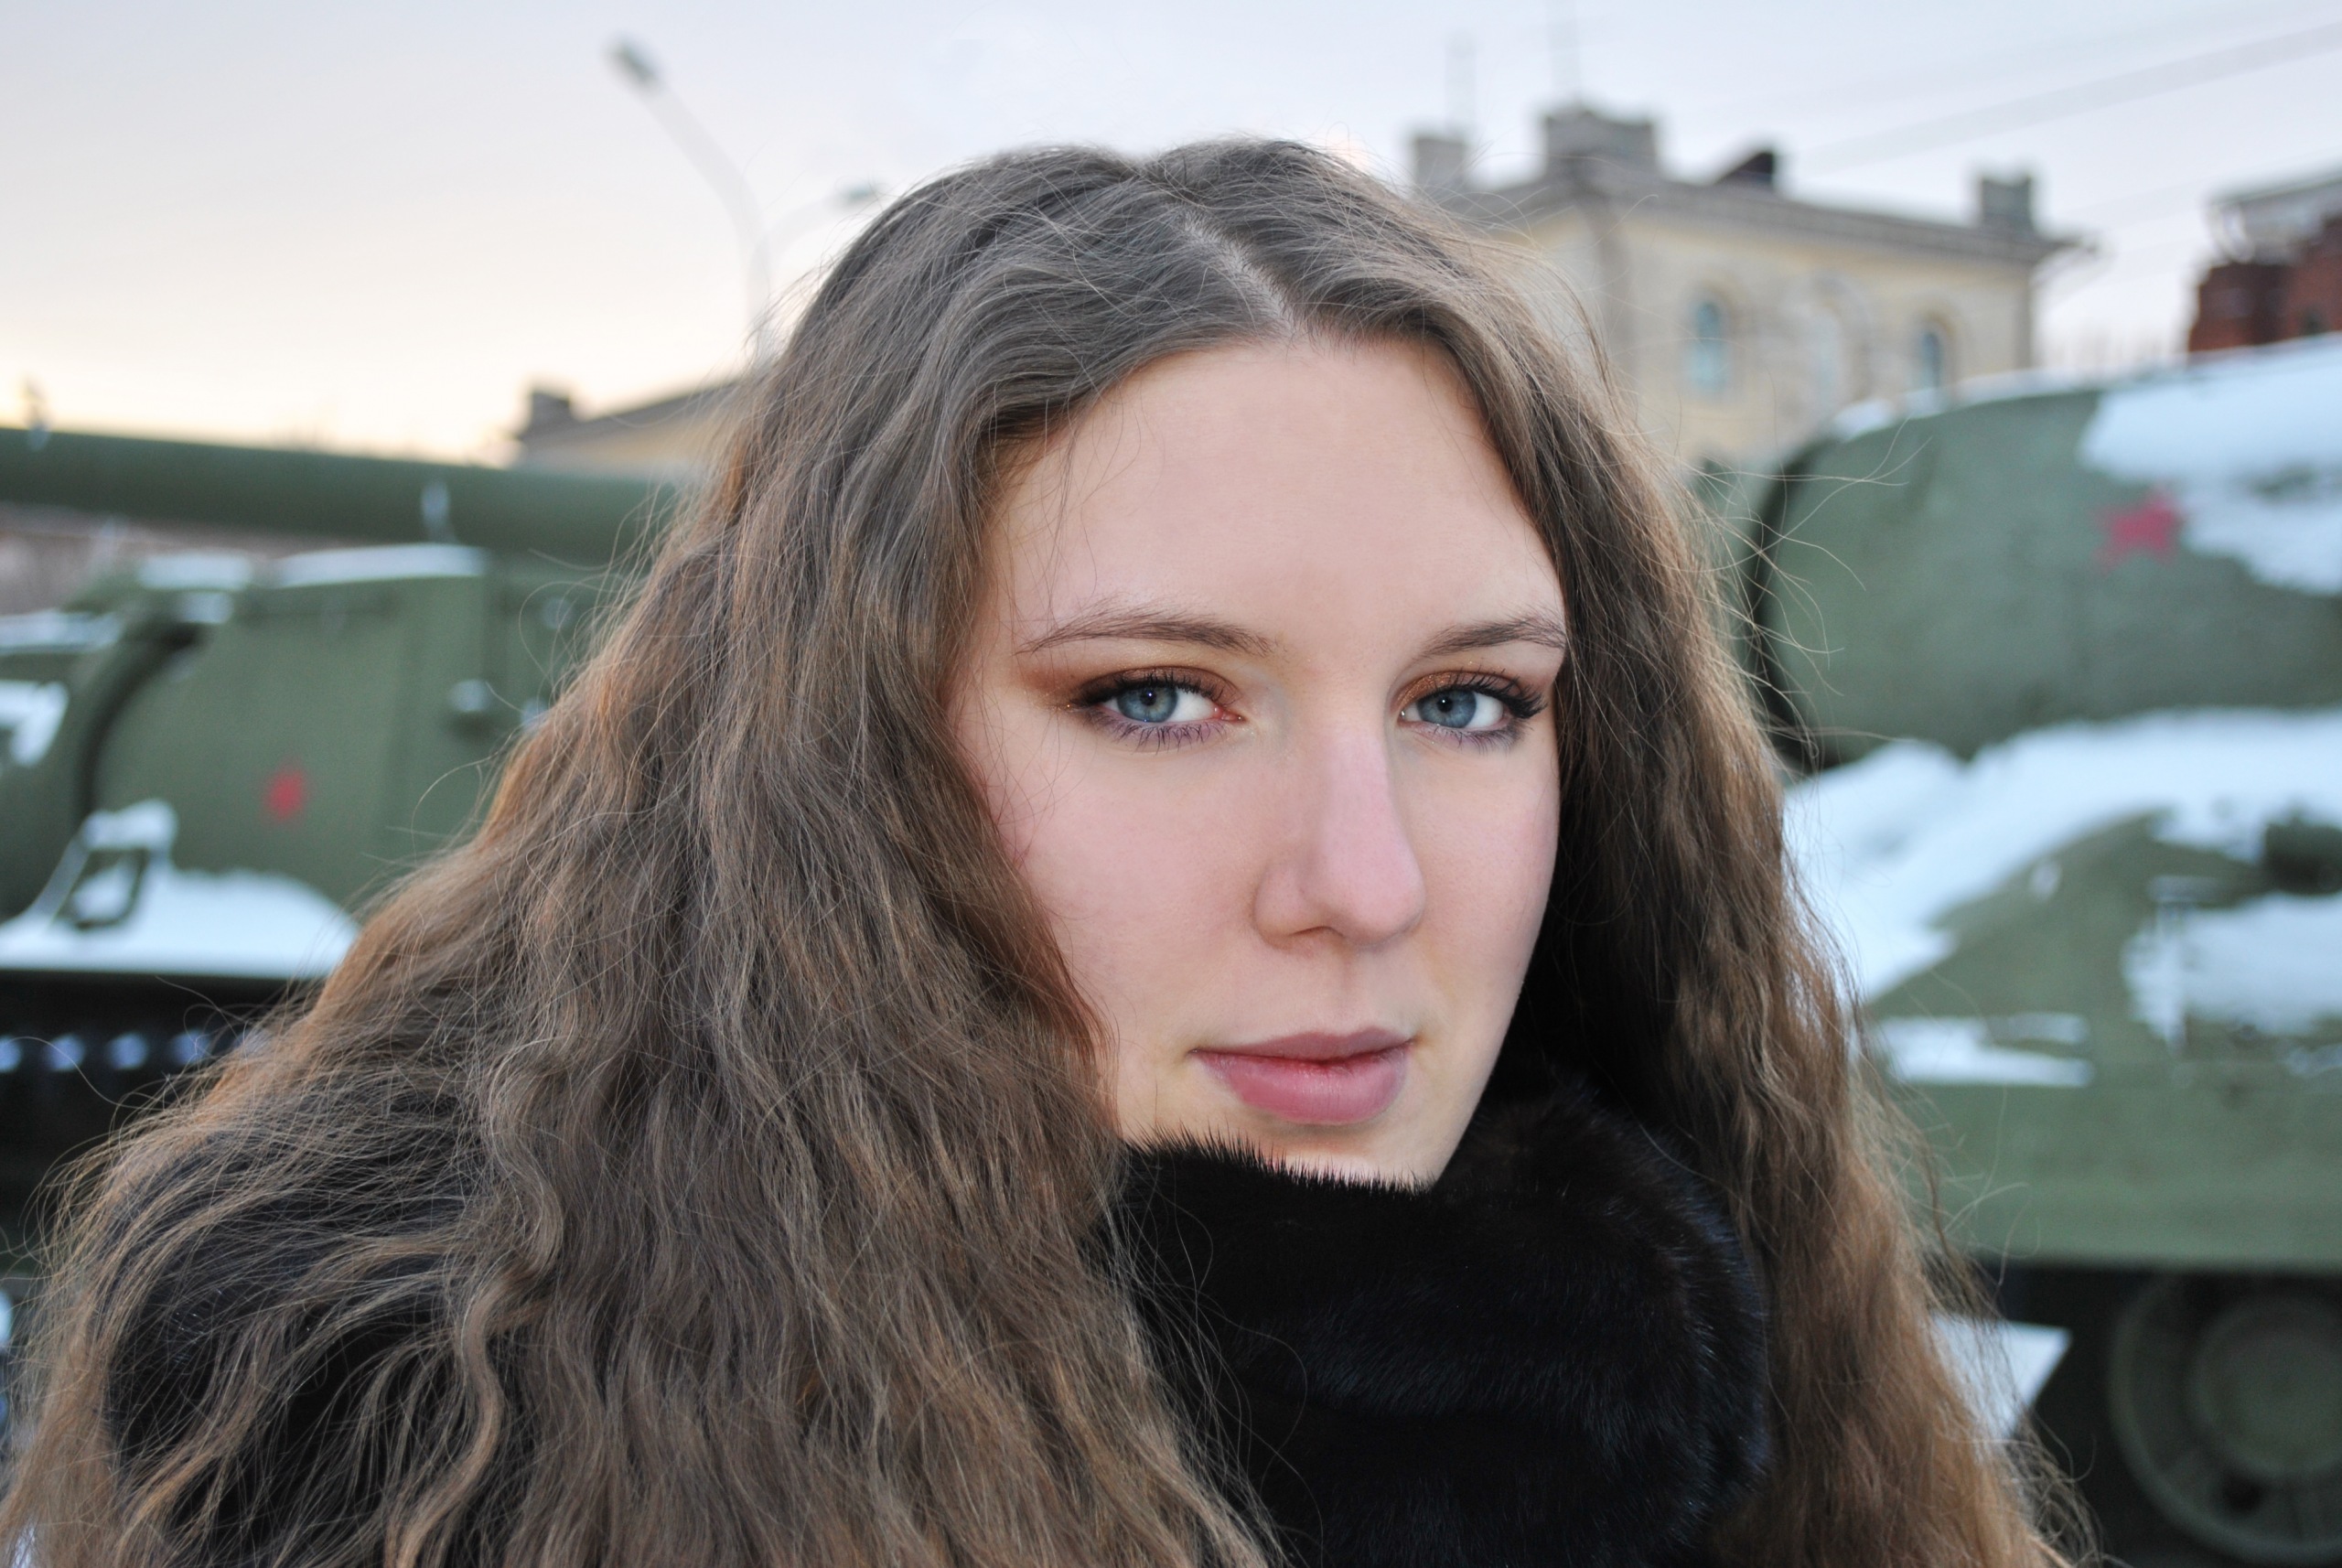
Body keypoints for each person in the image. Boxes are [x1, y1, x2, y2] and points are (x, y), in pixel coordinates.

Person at [0, 142, 2068, 1568]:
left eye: (1467, 702)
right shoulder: (411, 1445)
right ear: (845, 755)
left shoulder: (1716, 1381)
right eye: (1155, 695)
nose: (1365, 885)